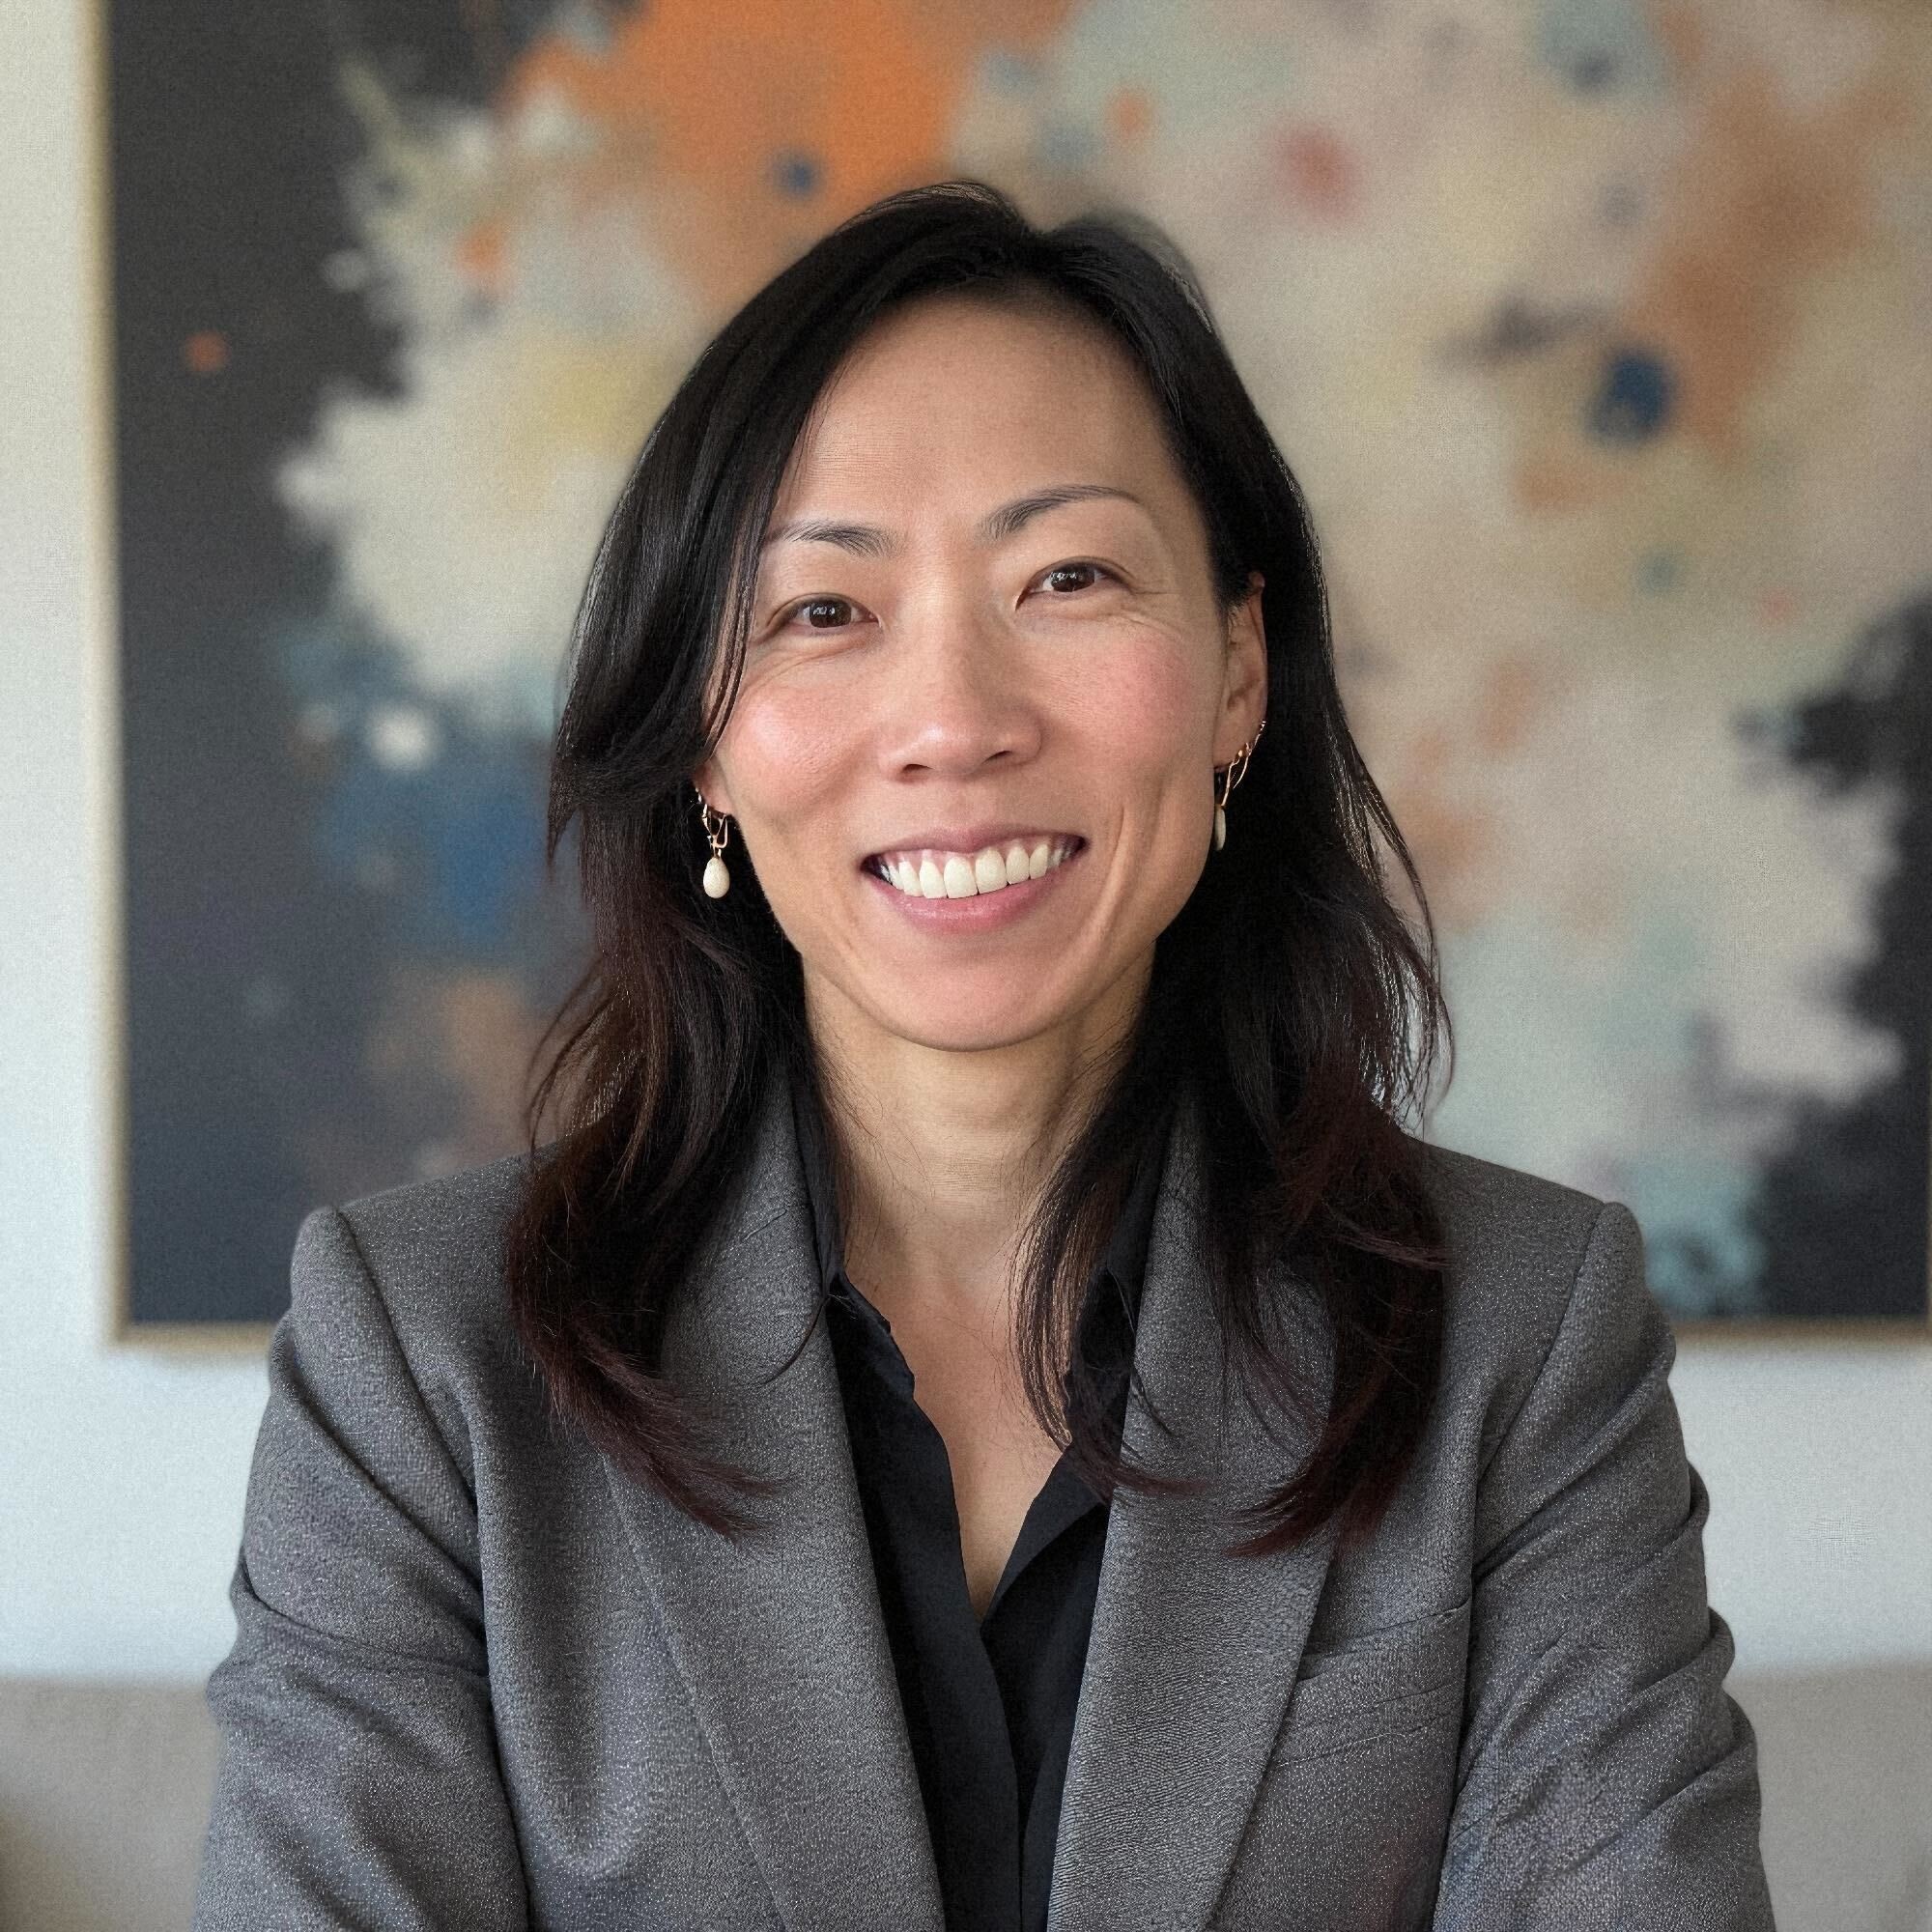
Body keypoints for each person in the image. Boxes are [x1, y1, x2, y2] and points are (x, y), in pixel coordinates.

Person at [192, 181, 1776, 1930]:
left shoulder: (1521, 1338)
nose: (954, 721)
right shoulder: (422, 1365)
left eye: (1069, 577)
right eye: (822, 611)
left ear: (1239, 670)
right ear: (703, 742)